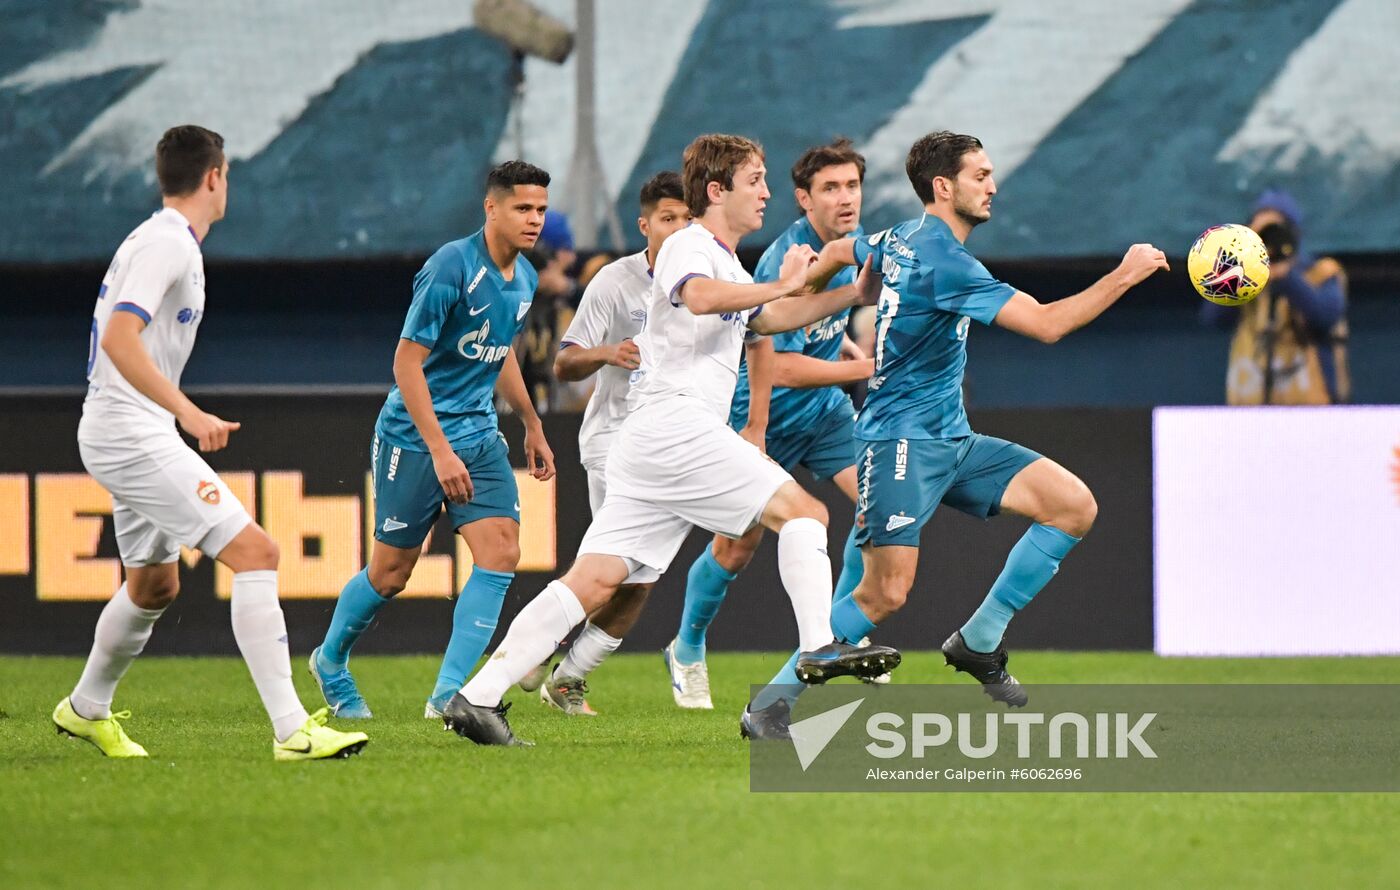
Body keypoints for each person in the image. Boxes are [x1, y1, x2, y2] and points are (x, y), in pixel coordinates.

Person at [440, 133, 898, 746]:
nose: (766, 193)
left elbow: (764, 319)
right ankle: (817, 647)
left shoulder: (728, 260)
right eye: (755, 180)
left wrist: (848, 294)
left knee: (598, 578)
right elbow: (702, 297)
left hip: (652, 436)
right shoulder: (689, 243)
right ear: (717, 191)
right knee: (804, 512)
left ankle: (477, 696)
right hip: (675, 424)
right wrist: (788, 284)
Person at [743, 130, 1168, 737]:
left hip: (952, 441)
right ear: (944, 187)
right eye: (980, 175)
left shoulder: (898, 238)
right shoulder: (947, 263)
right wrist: (1124, 275)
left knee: (1072, 506)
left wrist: (818, 280)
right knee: (885, 594)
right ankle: (770, 705)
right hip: (898, 445)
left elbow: (844, 250)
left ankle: (979, 639)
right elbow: (1047, 326)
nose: (993, 185)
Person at [55, 125, 368, 761]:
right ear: (215, 177)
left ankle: (85, 707)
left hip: (129, 426)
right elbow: (120, 338)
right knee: (257, 551)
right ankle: (292, 731)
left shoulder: (160, 240)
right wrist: (189, 413)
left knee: (154, 587)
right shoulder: (168, 243)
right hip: (130, 427)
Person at [309, 161, 557, 720]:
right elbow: (406, 363)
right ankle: (330, 661)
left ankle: (448, 696)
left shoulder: (525, 278)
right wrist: (441, 449)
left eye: (541, 209)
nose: (534, 219)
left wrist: (532, 423)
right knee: (392, 572)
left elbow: (501, 353)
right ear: (491, 208)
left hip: (480, 433)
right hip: (416, 438)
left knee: (501, 552)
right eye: (522, 208)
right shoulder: (451, 266)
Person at [662, 138, 880, 709]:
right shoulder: (785, 259)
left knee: (875, 509)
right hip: (766, 414)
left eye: (852, 185)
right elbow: (776, 362)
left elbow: (825, 333)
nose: (845, 198)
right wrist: (757, 424)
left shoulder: (857, 250)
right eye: (830, 188)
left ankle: (839, 638)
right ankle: (686, 647)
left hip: (827, 416)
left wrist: (855, 347)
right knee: (736, 549)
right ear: (804, 199)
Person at [522, 171, 692, 715]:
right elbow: (565, 362)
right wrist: (607, 352)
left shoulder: (708, 281)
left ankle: (564, 672)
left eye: (688, 220)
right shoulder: (615, 283)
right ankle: (535, 651)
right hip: (616, 441)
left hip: (673, 446)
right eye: (668, 219)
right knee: (615, 567)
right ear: (644, 225)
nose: (679, 229)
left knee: (639, 578)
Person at [1203, 189, 1349, 404]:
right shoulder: (1243, 276)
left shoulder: (1321, 273)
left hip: (1311, 410)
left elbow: (1324, 318)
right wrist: (1241, 263)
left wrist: (1286, 276)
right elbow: (1213, 318)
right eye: (1261, 233)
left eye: (1275, 231)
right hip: (1249, 410)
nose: (1268, 242)